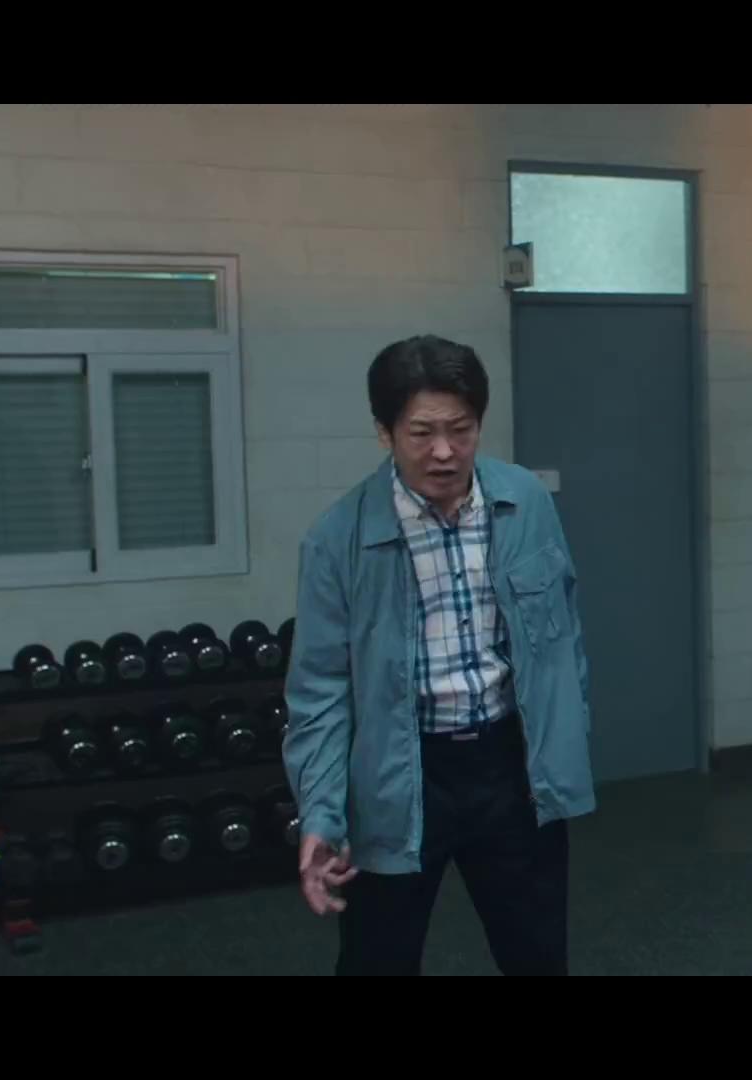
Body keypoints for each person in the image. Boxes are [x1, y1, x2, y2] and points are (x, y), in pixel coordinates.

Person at [283, 334, 593, 976]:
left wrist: (568, 734)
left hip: (510, 767)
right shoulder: (337, 540)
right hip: (400, 773)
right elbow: (320, 695)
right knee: (377, 959)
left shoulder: (525, 504)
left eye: (461, 429)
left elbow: (563, 636)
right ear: (385, 432)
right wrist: (321, 814)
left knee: (538, 956)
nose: (445, 451)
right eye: (422, 433)